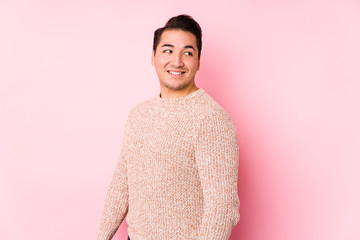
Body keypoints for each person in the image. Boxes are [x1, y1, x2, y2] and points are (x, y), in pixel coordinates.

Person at [97, 14, 240, 240]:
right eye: (168, 50)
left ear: (199, 61)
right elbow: (121, 186)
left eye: (188, 53)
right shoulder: (139, 114)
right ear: (153, 57)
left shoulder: (211, 119)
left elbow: (222, 207)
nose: (177, 61)